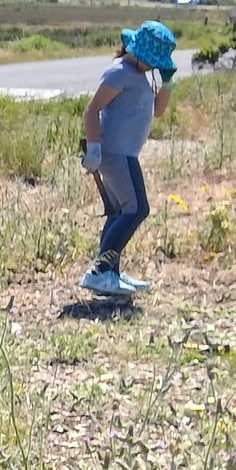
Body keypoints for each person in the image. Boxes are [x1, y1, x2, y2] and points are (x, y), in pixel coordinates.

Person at [77, 21, 177, 296]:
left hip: (126, 153)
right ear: (139, 52)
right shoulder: (119, 72)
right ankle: (100, 272)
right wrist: (94, 149)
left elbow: (157, 111)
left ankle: (111, 273)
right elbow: (92, 110)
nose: (155, 67)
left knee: (121, 211)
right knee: (136, 209)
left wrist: (167, 82)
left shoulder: (141, 74)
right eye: (153, 62)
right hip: (115, 154)